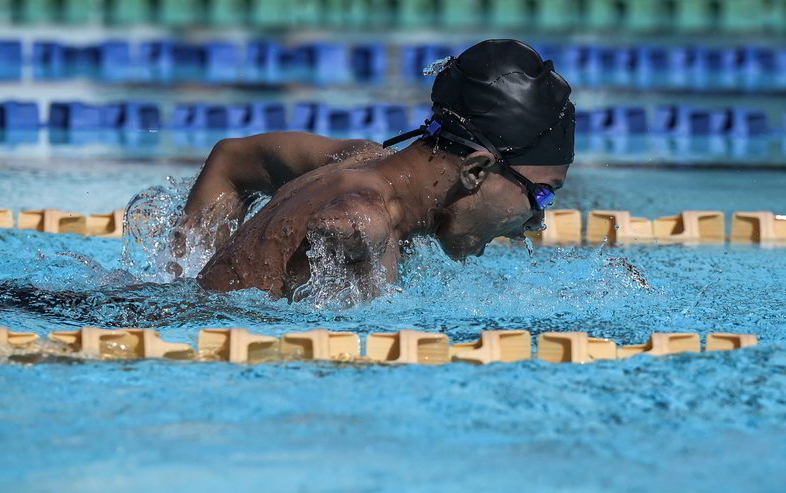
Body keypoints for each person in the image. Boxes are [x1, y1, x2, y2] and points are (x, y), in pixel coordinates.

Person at [177, 39, 575, 300]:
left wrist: (186, 272)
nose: (537, 221)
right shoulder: (366, 221)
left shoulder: (357, 158)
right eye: (541, 193)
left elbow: (231, 158)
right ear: (475, 171)